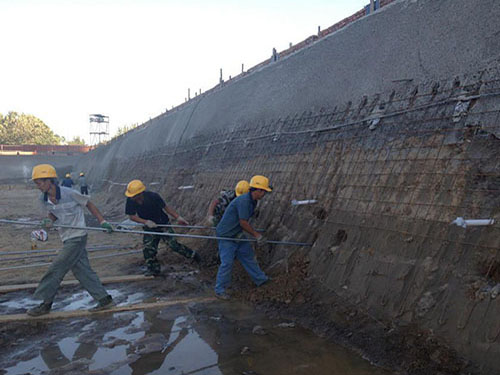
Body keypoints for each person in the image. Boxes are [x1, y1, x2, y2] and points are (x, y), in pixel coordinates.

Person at [27, 164, 115, 316]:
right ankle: (104, 299)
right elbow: (54, 214)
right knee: (82, 271)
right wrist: (48, 223)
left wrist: (102, 221)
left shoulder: (70, 194)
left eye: (39, 182)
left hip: (78, 236)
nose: (37, 186)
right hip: (66, 237)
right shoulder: (44, 199)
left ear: (50, 181)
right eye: (36, 183)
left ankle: (45, 304)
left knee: (56, 268)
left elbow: (89, 204)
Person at [124, 179, 201, 276]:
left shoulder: (153, 196)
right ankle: (153, 269)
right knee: (149, 248)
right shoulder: (130, 201)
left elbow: (166, 208)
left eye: (134, 196)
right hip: (149, 226)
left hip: (162, 223)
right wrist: (146, 222)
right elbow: (132, 216)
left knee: (173, 245)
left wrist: (178, 217)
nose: (132, 198)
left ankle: (194, 256)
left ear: (140, 193)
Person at [214, 175, 271, 300]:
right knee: (227, 263)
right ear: (257, 190)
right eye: (264, 191)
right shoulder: (244, 201)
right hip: (226, 235)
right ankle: (220, 290)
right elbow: (243, 222)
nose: (264, 194)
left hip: (237, 234)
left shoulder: (252, 201)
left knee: (248, 256)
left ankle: (261, 280)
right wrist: (257, 235)